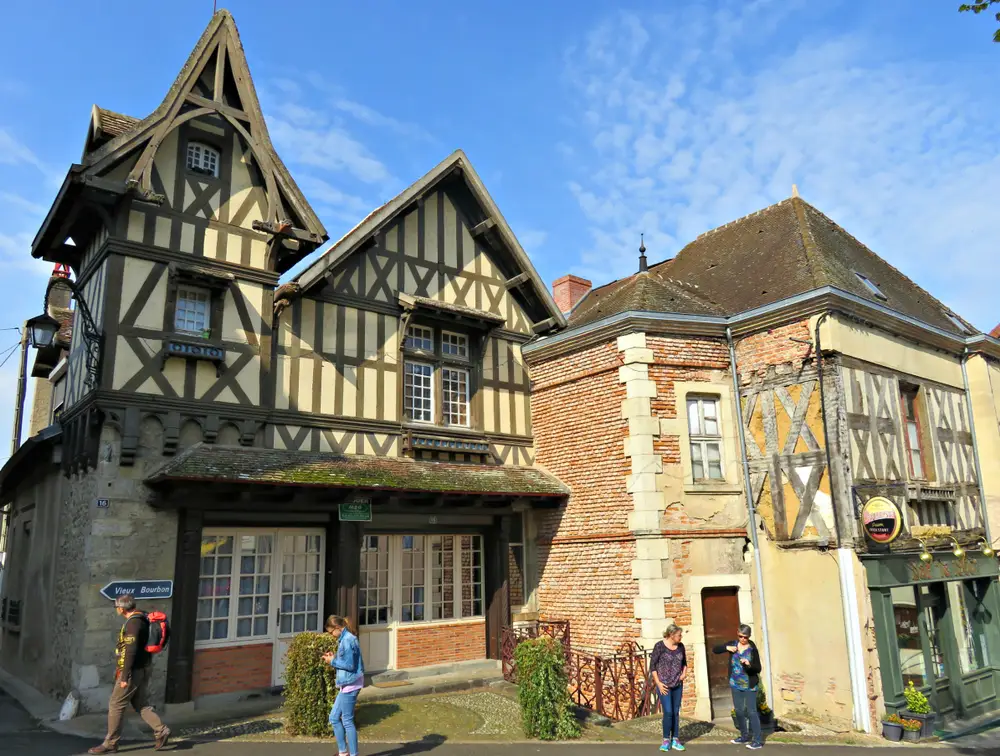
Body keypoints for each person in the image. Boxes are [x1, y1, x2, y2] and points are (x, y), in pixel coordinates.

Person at [88, 594, 169, 754]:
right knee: (140, 703)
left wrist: (124, 677)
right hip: (143, 667)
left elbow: (130, 651)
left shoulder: (133, 624)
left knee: (116, 704)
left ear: (121, 608)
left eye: (116, 607)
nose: (116, 609)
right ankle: (161, 730)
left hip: (133, 670)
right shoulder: (143, 617)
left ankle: (110, 742)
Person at [713, 623, 763, 750]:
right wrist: (726, 648)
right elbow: (715, 649)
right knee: (739, 711)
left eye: (746, 637)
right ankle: (744, 736)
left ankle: (757, 740)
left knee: (751, 712)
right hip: (735, 684)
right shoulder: (733, 644)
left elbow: (758, 668)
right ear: (737, 634)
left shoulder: (752, 649)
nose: (743, 639)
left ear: (749, 636)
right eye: (741, 636)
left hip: (749, 685)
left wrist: (749, 664)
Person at [321, 615, 365, 756]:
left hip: (350, 684)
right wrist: (334, 657)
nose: (331, 635)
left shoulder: (347, 640)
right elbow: (347, 660)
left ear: (338, 628)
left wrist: (332, 661)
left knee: (347, 721)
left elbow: (350, 665)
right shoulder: (346, 639)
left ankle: (353, 754)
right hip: (348, 684)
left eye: (330, 632)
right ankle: (343, 753)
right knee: (334, 718)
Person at [650, 624, 687, 751]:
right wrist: (658, 683)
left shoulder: (681, 647)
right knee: (668, 712)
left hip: (677, 684)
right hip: (664, 685)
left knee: (676, 712)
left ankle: (675, 739)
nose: (681, 637)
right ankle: (666, 739)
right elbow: (653, 666)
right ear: (671, 635)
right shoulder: (659, 646)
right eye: (679, 635)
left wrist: (684, 673)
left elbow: (684, 662)